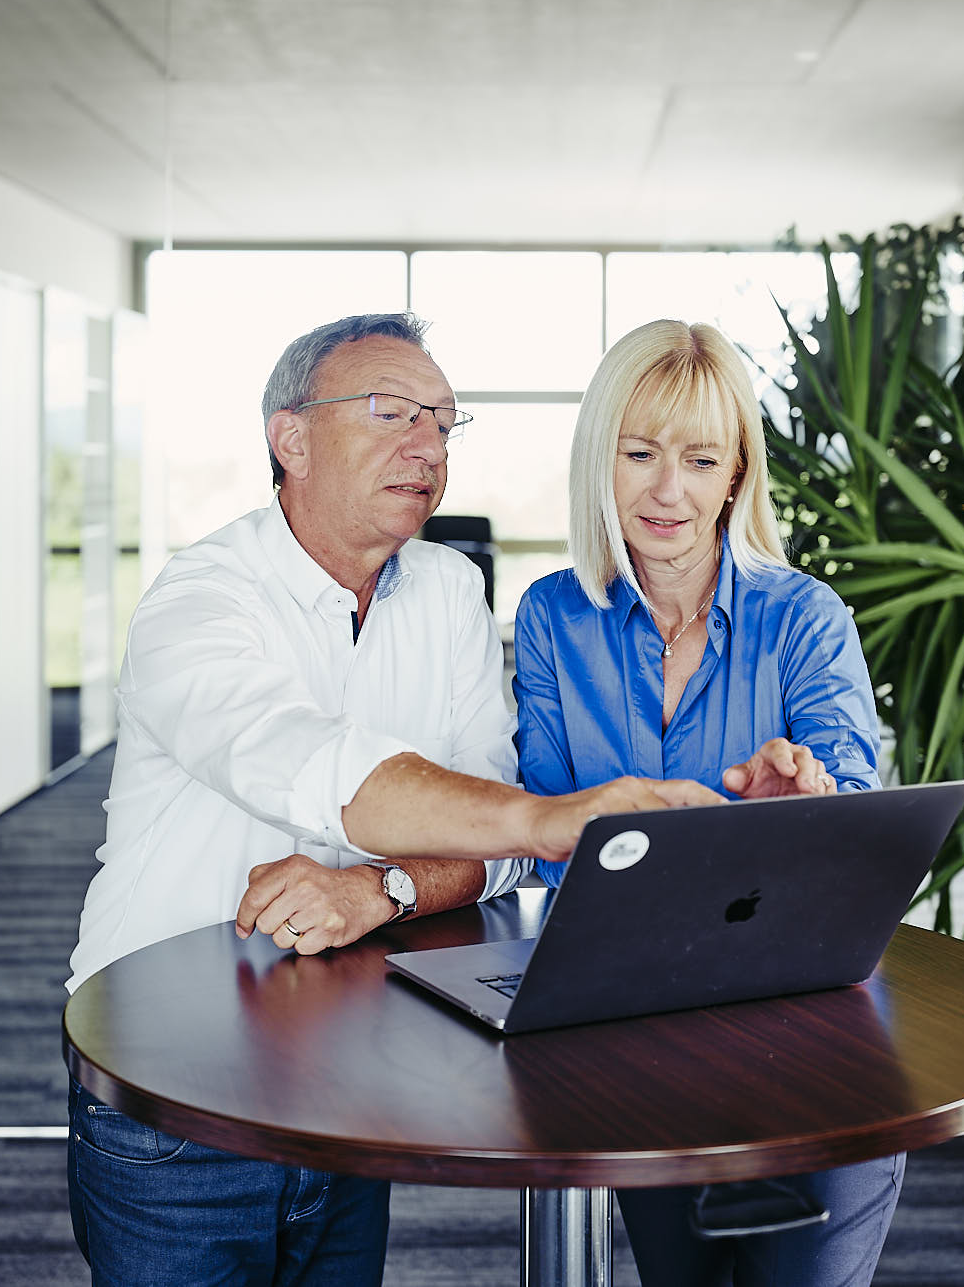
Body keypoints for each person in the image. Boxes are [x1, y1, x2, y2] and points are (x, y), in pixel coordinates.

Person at [65, 312, 719, 1287]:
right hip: (175, 1075)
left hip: (343, 1066)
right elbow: (315, 766)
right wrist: (545, 818)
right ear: (289, 438)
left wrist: (384, 889)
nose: (426, 446)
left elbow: (486, 839)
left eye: (443, 423)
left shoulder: (449, 592)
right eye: (390, 413)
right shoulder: (200, 600)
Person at [512, 319, 896, 1287]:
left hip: (799, 1019)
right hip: (626, 1017)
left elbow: (854, 807)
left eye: (698, 457)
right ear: (600, 458)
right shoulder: (553, 614)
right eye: (637, 453)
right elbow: (541, 823)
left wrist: (798, 808)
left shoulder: (802, 614)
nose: (665, 489)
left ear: (735, 473)